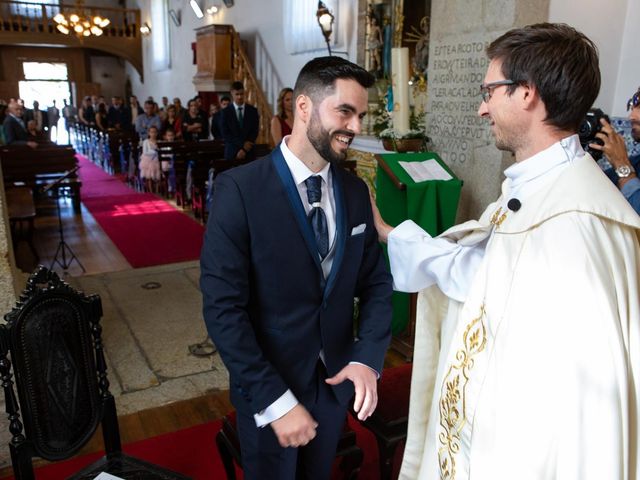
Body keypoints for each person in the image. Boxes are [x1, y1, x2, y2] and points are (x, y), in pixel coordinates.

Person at [371, 23, 640, 479]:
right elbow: (484, 276)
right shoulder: (542, 191)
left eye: (490, 90)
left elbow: (586, 410)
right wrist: (393, 234)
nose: (481, 108)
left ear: (527, 93)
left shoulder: (576, 223)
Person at [200, 56, 393, 480]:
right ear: (303, 107)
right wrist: (275, 399)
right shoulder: (240, 190)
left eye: (361, 115)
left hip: (334, 384)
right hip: (269, 387)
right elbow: (222, 308)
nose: (356, 127)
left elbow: (377, 282)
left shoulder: (356, 191)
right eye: (345, 111)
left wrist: (367, 358)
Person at [589, 86, 640, 214]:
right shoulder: (636, 163)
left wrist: (621, 164)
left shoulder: (626, 164)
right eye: (632, 107)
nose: (631, 116)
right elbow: (596, 190)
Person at [220, 81, 259, 161]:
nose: (239, 97)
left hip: (249, 151)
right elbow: (225, 133)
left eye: (241, 94)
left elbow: (255, 131)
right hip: (232, 151)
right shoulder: (225, 112)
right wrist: (242, 145)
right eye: (237, 94)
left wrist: (245, 149)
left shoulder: (252, 111)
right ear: (232, 94)